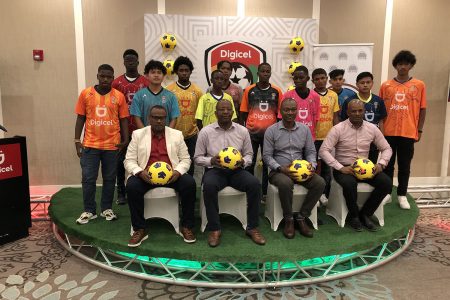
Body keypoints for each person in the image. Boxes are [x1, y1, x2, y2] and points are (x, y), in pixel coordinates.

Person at [194, 100, 266, 247]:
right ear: (215, 113)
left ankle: (252, 227)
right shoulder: (205, 132)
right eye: (222, 109)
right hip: (215, 171)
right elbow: (197, 158)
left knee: (254, 184)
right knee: (209, 186)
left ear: (233, 113)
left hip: (237, 172)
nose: (225, 112)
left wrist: (243, 162)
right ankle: (214, 228)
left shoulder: (242, 131)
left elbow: (249, 154)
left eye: (228, 109)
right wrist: (212, 161)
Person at [124, 105, 197, 247]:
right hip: (147, 176)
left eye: (162, 118)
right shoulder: (138, 135)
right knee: (132, 186)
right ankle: (139, 228)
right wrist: (139, 172)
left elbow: (186, 159)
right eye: (155, 118)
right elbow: (129, 160)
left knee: (189, 183)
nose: (158, 121)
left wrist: (178, 172)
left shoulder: (176, 135)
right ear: (149, 118)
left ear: (166, 119)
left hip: (171, 176)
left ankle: (187, 226)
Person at [319, 99, 393, 232]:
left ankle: (365, 214)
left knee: (386, 183)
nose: (357, 114)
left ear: (364, 111)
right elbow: (323, 151)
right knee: (349, 184)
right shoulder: (338, 129)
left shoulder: (372, 128)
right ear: (347, 112)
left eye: (360, 111)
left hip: (367, 168)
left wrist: (381, 164)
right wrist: (340, 167)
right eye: (353, 111)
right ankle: (353, 217)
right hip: (345, 168)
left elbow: (387, 148)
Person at [74, 64, 129, 224]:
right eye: (103, 76)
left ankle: (106, 209)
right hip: (90, 144)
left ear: (113, 78)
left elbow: (124, 119)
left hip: (112, 145)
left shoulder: (118, 96)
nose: (106, 79)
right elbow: (80, 118)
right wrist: (77, 140)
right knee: (88, 178)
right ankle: (89, 210)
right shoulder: (86, 94)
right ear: (97, 76)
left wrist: (125, 141)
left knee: (110, 178)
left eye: (109, 77)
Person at [264, 98, 325, 239]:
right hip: (279, 171)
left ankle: (302, 217)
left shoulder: (304, 129)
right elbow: (267, 156)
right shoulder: (271, 131)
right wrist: (280, 168)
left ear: (297, 111)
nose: (290, 113)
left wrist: (312, 167)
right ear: (280, 111)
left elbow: (310, 151)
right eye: (286, 110)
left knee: (320, 182)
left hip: (302, 171)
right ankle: (289, 219)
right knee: (286, 183)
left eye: (293, 110)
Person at [379, 50, 426, 210]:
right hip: (388, 132)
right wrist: (380, 131)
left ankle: (402, 195)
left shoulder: (419, 85)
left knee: (405, 166)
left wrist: (419, 130)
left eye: (406, 64)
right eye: (400, 64)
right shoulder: (386, 86)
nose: (403, 67)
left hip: (408, 132)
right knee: (388, 165)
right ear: (395, 65)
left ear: (411, 65)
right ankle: (386, 194)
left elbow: (423, 109)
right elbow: (380, 110)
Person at [112, 49, 150, 205]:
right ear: (123, 62)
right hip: (123, 130)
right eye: (127, 60)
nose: (130, 62)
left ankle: (144, 188)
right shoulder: (117, 83)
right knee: (121, 162)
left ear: (138, 62)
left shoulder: (145, 82)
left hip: (142, 128)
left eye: (133, 60)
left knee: (143, 160)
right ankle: (121, 191)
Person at [240, 62, 283, 198]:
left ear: (270, 73)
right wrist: (245, 130)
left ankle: (264, 192)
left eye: (268, 71)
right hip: (252, 133)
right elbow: (243, 112)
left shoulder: (277, 91)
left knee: (267, 163)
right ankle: (248, 190)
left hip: (270, 135)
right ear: (258, 73)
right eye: (263, 71)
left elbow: (280, 114)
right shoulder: (249, 90)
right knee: (249, 162)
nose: (265, 73)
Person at [166, 56, 203, 176]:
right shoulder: (169, 90)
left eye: (186, 70)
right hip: (174, 133)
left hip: (191, 134)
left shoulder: (197, 91)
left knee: (190, 163)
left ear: (190, 71)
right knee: (173, 162)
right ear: (176, 71)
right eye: (181, 70)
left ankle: (189, 189)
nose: (184, 73)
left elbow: (199, 113)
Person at [340, 72, 387, 163]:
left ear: (372, 83)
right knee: (356, 167)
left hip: (373, 141)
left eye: (368, 82)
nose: (365, 85)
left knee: (371, 167)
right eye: (362, 83)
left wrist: (381, 138)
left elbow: (381, 121)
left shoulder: (379, 100)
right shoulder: (350, 101)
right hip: (355, 141)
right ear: (357, 84)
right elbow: (344, 122)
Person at [311, 68, 339, 205]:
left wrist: (337, 134)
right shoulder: (310, 95)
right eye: (317, 79)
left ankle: (324, 194)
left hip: (328, 138)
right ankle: (314, 194)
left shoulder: (333, 95)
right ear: (313, 81)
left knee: (327, 168)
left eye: (322, 78)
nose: (320, 81)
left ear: (327, 78)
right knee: (313, 167)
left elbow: (335, 116)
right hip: (312, 138)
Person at [130, 60, 180, 129]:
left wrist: (167, 135)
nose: (156, 75)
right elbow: (137, 118)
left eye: (159, 73)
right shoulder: (138, 96)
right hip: (145, 137)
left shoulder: (171, 96)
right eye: (153, 72)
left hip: (165, 137)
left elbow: (174, 118)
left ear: (163, 76)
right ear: (147, 75)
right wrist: (146, 135)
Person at [281, 65, 320, 140]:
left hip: (309, 136)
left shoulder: (315, 96)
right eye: (296, 78)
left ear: (307, 78)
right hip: (291, 137)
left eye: (301, 78)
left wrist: (312, 133)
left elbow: (316, 118)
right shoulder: (287, 95)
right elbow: (281, 117)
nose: (298, 80)